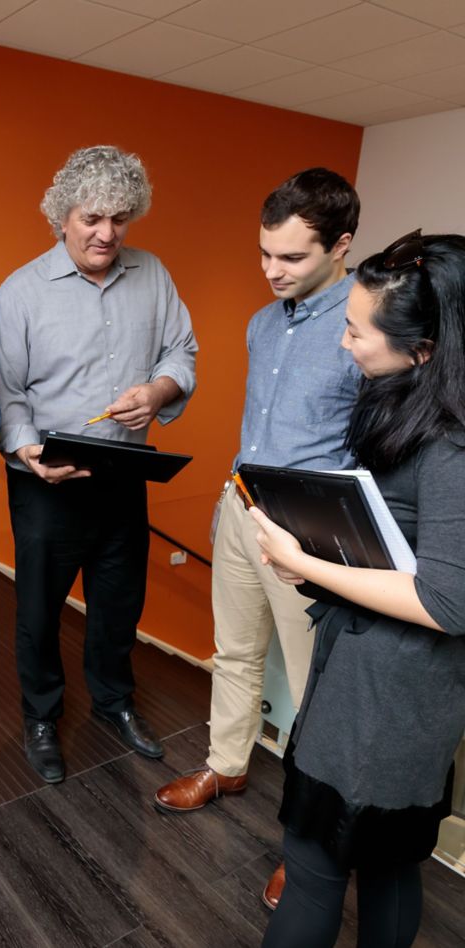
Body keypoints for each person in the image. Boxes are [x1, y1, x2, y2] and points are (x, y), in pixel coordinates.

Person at [155, 167, 361, 908]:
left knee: (316, 695)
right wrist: (227, 501)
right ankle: (226, 764)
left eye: (292, 258)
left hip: (312, 533)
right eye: (264, 254)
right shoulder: (262, 322)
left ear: (341, 246)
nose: (272, 271)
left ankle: (307, 845)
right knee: (235, 654)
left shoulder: (368, 327)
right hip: (242, 507)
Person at [254, 230, 465, 947]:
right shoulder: (414, 403)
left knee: (318, 868)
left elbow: (447, 602)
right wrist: (312, 553)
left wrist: (307, 565)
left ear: (425, 348)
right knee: (387, 868)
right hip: (372, 675)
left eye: (355, 330)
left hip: (395, 695)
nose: (344, 343)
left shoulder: (454, 445)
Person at [0, 145, 197, 783]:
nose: (107, 233)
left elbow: (181, 352)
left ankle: (113, 703)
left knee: (118, 602)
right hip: (47, 482)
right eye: (92, 218)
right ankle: (42, 717)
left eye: (120, 218)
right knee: (39, 611)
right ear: (62, 216)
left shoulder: (153, 274)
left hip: (124, 477)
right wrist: (27, 451)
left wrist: (158, 392)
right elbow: (3, 393)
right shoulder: (21, 292)